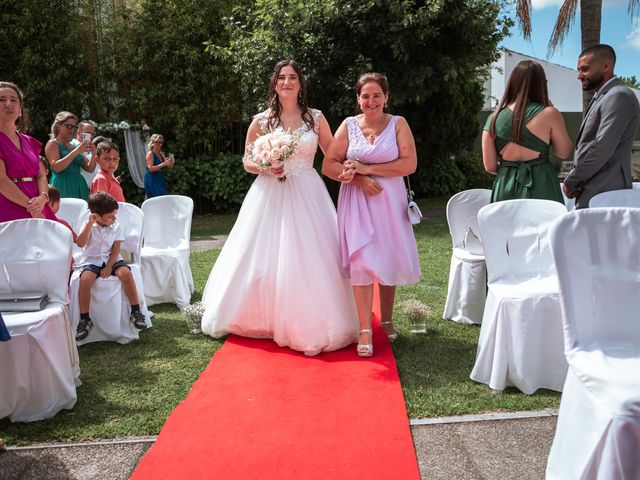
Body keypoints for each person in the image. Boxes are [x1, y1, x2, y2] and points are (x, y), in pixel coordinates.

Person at [200, 59, 358, 356]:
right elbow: (247, 161)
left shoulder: (316, 117)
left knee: (311, 254)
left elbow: (331, 154)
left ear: (300, 84)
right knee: (262, 254)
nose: (287, 82)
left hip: (308, 192)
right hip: (269, 192)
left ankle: (312, 317)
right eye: (282, 77)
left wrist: (350, 170)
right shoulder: (261, 121)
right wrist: (266, 165)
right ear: (275, 84)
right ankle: (261, 316)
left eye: (293, 77)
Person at [322, 72, 421, 357]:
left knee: (387, 257)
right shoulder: (348, 126)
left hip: (389, 201)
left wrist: (368, 169)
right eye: (365, 96)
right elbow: (329, 165)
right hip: (356, 200)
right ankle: (365, 328)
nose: (371, 101)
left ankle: (387, 319)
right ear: (358, 99)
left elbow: (409, 164)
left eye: (377, 95)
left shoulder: (398, 124)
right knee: (362, 260)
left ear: (386, 97)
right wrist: (358, 179)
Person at [482, 61, 573, 204]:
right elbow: (564, 152)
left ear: (512, 83)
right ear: (541, 84)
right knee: (546, 226)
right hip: (542, 184)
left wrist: (510, 170)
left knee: (505, 226)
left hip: (505, 185)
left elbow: (490, 166)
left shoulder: (493, 118)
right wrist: (551, 107)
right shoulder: (550, 113)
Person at [563, 44, 640, 208]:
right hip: (593, 188)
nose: (579, 75)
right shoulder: (603, 97)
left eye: (584, 69)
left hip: (606, 191)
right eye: (578, 69)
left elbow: (601, 146)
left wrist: (573, 179)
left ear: (606, 66)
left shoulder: (619, 95)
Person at [74, 192, 146, 341]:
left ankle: (136, 312)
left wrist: (109, 266)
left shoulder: (116, 226)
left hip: (111, 258)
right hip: (91, 260)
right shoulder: (88, 225)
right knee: (85, 280)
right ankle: (85, 319)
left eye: (114, 215)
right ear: (96, 216)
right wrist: (88, 224)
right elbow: (80, 243)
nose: (114, 218)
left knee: (126, 274)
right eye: (110, 216)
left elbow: (116, 249)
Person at [0, 81, 57, 222]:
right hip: (8, 207)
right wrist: (32, 208)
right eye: (1, 100)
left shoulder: (29, 141)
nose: (8, 104)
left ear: (20, 109)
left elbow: (40, 175)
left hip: (38, 204)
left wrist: (43, 197)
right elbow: (1, 181)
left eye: (13, 100)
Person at [45, 111, 96, 200]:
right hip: (63, 184)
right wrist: (76, 152)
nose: (72, 130)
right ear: (58, 125)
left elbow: (89, 168)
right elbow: (56, 167)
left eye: (74, 127)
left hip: (79, 185)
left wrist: (94, 154)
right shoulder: (53, 143)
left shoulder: (74, 145)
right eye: (69, 126)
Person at [73, 120, 99, 186]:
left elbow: (93, 170)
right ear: (78, 133)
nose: (91, 136)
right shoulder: (71, 147)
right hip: (77, 187)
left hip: (94, 189)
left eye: (93, 134)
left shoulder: (92, 148)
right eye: (87, 133)